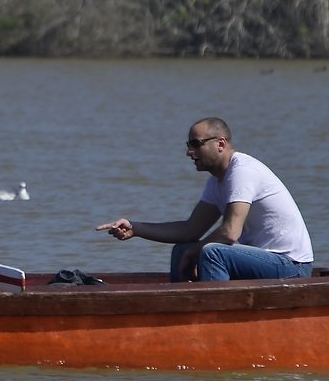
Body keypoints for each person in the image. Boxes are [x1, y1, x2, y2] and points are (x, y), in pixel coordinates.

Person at [96, 117, 314, 282]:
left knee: (212, 252)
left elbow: (230, 232)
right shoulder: (217, 181)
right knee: (182, 248)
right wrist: (136, 228)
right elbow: (190, 230)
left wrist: (196, 251)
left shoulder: (243, 171)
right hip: (265, 261)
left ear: (220, 143)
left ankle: (213, 324)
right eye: (188, 145)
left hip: (291, 266)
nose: (189, 152)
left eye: (196, 144)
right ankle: (182, 319)